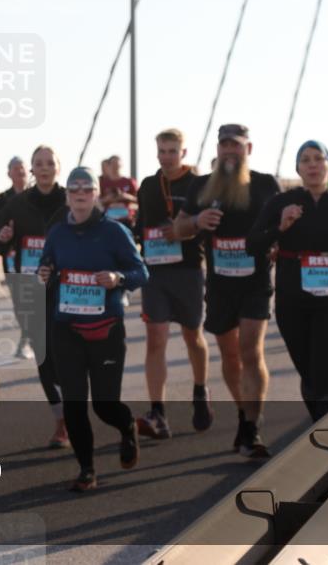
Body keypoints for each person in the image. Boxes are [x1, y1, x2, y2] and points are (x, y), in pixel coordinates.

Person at [38, 167, 148, 492]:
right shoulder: (57, 233)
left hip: (106, 329)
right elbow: (46, 265)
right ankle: (87, 469)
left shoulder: (114, 232)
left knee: (104, 404)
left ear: (96, 193)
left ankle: (127, 426)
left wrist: (118, 278)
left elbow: (141, 272)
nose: (80, 194)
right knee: (74, 403)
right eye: (74, 189)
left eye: (87, 188)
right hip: (66, 328)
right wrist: (44, 273)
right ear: (67, 196)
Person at [174, 124, 280, 458]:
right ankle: (243, 412)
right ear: (218, 150)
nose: (230, 152)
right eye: (225, 146)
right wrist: (197, 222)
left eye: (236, 146)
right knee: (230, 355)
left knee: (251, 350)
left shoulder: (265, 185)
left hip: (255, 282)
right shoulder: (201, 186)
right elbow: (177, 229)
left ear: (248, 149)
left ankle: (252, 427)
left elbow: (283, 228)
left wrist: (277, 244)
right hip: (220, 285)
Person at [247, 141, 328, 421]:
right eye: (305, 160)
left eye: (318, 158)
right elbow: (252, 244)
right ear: (298, 169)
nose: (313, 164)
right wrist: (280, 227)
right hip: (293, 300)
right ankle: (326, 428)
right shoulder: (281, 202)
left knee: (322, 377)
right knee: (310, 376)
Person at [134, 129, 212, 439]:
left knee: (193, 335)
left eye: (172, 151)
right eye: (162, 151)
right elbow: (140, 224)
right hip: (155, 272)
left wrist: (183, 230)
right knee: (155, 339)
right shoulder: (148, 185)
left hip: (188, 270)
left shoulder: (198, 184)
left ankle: (200, 391)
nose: (166, 157)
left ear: (183, 153)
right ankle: (158, 412)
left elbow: (207, 226)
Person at [0, 145, 69, 448]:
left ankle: (73, 410)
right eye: (39, 163)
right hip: (30, 288)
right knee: (43, 356)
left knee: (65, 354)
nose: (45, 167)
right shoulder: (16, 204)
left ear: (58, 167)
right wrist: (4, 239)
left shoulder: (70, 200)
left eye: (50, 162)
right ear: (32, 169)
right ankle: (61, 421)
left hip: (66, 288)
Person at [0, 155, 31, 358]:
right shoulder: (2, 200)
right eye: (15, 169)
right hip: (12, 256)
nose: (20, 172)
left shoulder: (36, 195)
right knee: (20, 301)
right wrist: (5, 235)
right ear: (9, 174)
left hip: (35, 255)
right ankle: (25, 338)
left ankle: (35, 338)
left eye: (22, 168)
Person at [99, 155, 138, 225]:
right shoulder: (102, 183)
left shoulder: (129, 181)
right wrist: (108, 199)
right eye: (113, 165)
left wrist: (126, 197)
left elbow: (139, 200)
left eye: (117, 165)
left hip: (127, 219)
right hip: (108, 220)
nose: (115, 168)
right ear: (109, 166)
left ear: (121, 165)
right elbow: (96, 202)